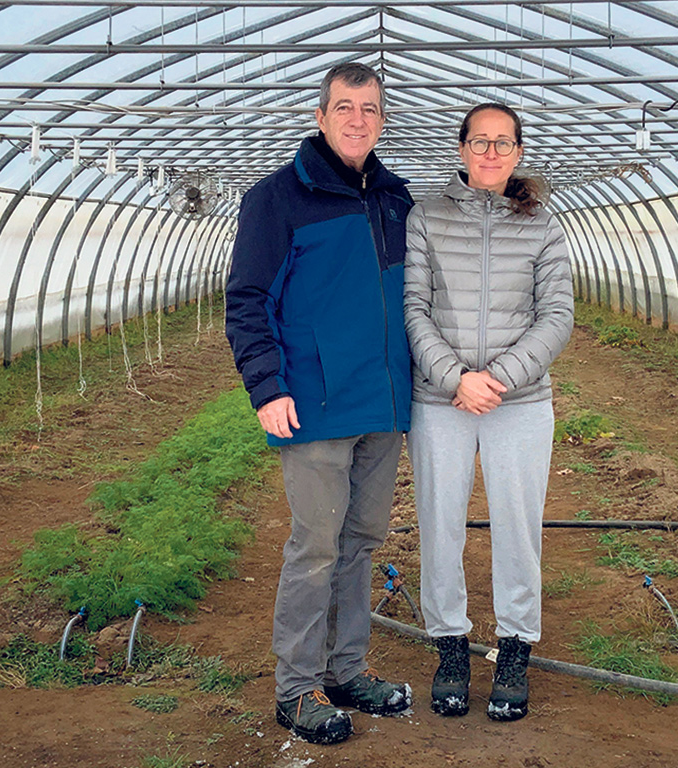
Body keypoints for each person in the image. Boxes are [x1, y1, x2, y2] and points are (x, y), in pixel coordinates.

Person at [225, 62, 415, 745]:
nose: (357, 119)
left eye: (369, 108)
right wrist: (267, 387)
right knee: (314, 546)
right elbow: (247, 301)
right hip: (314, 405)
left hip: (382, 402)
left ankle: (345, 669)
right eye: (344, 107)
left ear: (382, 119)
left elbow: (411, 301)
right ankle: (296, 688)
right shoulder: (278, 199)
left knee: (360, 542)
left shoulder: (394, 200)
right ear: (320, 115)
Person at [403, 103, 574, 722]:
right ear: (461, 149)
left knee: (517, 526)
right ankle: (449, 647)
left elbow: (556, 316)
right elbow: (413, 307)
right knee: (439, 523)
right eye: (481, 141)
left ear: (519, 153)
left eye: (504, 143)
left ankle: (513, 650)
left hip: (518, 402)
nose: (492, 153)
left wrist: (496, 379)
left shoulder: (544, 227)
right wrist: (457, 379)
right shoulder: (426, 218)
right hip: (440, 398)